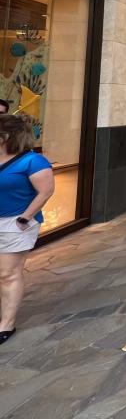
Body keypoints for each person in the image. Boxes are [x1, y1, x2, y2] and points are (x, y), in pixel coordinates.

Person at [0, 115, 54, 346]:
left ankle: (6, 324)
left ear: (6, 136)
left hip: (15, 223)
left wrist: (25, 217)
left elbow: (46, 190)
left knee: (7, 273)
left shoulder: (33, 162)